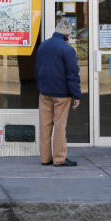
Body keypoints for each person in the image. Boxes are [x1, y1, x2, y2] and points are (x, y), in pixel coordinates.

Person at [35, 17, 82, 167]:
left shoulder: (43, 46)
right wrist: (76, 95)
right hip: (61, 95)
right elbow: (72, 74)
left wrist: (41, 87)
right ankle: (59, 159)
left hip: (44, 93)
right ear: (67, 34)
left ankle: (45, 158)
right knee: (60, 126)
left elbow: (37, 70)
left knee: (45, 125)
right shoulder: (67, 49)